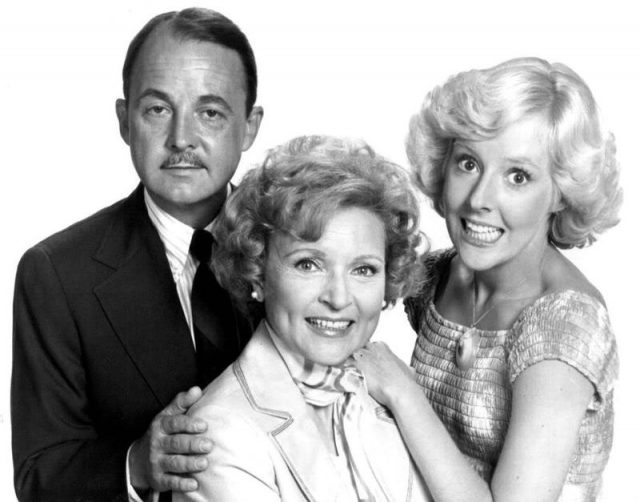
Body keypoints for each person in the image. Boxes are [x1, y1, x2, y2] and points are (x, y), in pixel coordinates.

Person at [11, 8, 263, 501]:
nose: (182, 138)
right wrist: (137, 464)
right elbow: (40, 475)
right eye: (158, 109)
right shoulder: (57, 275)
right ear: (125, 121)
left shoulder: (296, 246)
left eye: (210, 112)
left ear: (249, 126)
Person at [354, 57, 622, 502]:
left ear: (560, 193)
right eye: (468, 164)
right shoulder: (440, 277)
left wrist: (402, 392)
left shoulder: (563, 329)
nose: (479, 198)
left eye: (518, 176)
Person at [173, 135, 432, 501]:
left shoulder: (398, 391)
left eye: (363, 269)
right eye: (308, 264)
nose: (338, 298)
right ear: (258, 273)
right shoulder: (219, 433)